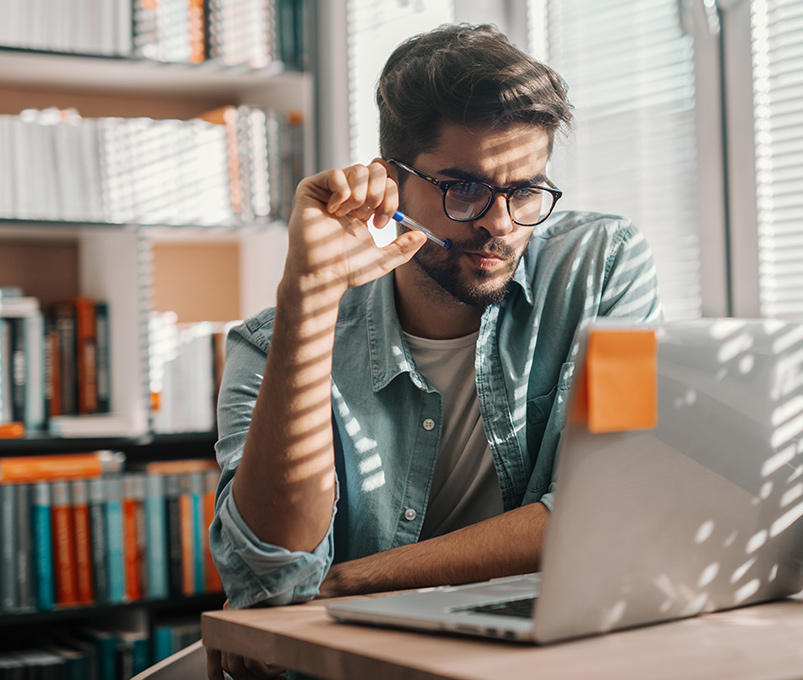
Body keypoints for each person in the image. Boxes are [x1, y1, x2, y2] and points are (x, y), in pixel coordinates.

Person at [206, 23, 662, 680]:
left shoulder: (602, 267)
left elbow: (605, 512)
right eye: (465, 188)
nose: (500, 225)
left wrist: (350, 580)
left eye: (526, 189)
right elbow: (270, 577)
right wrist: (309, 295)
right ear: (392, 183)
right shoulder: (266, 344)